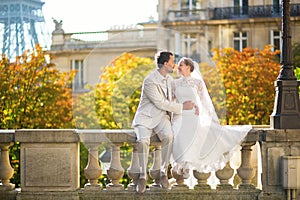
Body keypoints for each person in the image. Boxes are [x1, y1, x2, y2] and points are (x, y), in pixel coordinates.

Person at [170, 57, 252, 181]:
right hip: (180, 114)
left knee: (195, 131)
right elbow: (172, 102)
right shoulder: (174, 83)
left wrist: (208, 116)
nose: (178, 67)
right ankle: (183, 162)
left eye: (181, 65)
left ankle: (187, 162)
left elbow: (203, 102)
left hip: (193, 115)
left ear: (188, 67)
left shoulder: (197, 83)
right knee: (178, 132)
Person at [132, 51, 197, 194]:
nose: (175, 65)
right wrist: (182, 108)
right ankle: (142, 176)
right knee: (143, 141)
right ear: (166, 64)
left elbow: (173, 98)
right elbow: (160, 103)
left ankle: (163, 172)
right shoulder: (150, 80)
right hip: (146, 118)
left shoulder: (169, 79)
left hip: (161, 118)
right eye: (173, 62)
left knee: (169, 137)